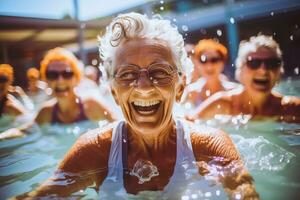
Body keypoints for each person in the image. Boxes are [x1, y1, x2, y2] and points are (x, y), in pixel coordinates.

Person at [15, 13, 258, 199]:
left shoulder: (209, 146)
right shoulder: (93, 151)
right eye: (127, 74)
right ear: (114, 93)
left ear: (181, 86)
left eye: (159, 72)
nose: (143, 86)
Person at [0, 48, 116, 140]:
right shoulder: (46, 112)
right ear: (46, 80)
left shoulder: (92, 105)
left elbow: (119, 127)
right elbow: (23, 131)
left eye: (67, 74)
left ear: (76, 78)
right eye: (52, 75)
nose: (60, 80)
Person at [188, 35, 300, 123]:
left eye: (271, 63)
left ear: (279, 71)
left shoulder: (292, 108)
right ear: (239, 69)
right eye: (254, 63)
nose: (263, 70)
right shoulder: (221, 103)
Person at [182, 39, 238, 107]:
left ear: (222, 63)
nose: (209, 66)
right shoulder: (191, 92)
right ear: (197, 64)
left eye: (214, 60)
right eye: (203, 60)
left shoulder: (234, 91)